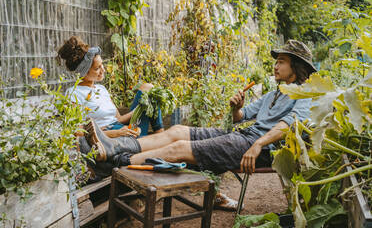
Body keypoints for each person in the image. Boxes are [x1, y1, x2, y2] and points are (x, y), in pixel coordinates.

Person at [84, 39, 317, 207]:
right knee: (177, 131)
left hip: (262, 148)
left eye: (282, 62)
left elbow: (288, 125)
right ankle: (114, 148)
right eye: (276, 61)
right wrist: (236, 107)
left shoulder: (306, 93)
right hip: (244, 136)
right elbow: (241, 117)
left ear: (297, 68)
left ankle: (112, 164)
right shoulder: (274, 93)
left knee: (179, 149)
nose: (275, 66)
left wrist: (258, 145)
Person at [57, 36, 164, 139]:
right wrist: (116, 133)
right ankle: (159, 139)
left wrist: (140, 109)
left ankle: (160, 133)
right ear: (83, 73)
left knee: (148, 89)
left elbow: (119, 119)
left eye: (102, 65)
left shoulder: (101, 89)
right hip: (109, 136)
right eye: (97, 68)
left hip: (125, 129)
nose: (103, 70)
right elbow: (79, 133)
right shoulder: (74, 94)